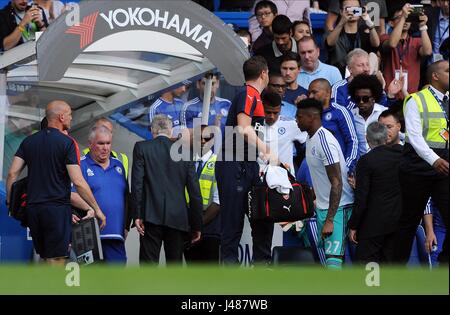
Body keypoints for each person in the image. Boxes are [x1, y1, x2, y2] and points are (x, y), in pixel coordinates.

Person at [6, 100, 106, 265]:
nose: (71, 119)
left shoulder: (29, 141)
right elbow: (78, 181)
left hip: (33, 209)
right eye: (69, 115)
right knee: (57, 259)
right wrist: (96, 209)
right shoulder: (67, 143)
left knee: (45, 258)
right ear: (61, 117)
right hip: (56, 209)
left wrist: (11, 202)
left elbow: (12, 173)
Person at [215, 55, 277, 265]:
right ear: (264, 74)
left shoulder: (254, 97)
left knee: (263, 220)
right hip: (233, 164)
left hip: (248, 165)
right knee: (232, 226)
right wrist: (267, 151)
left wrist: (269, 159)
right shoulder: (248, 94)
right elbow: (243, 127)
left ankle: (262, 270)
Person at [393, 60, 449, 264]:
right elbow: (414, 137)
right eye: (448, 71)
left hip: (443, 167)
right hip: (417, 166)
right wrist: (434, 160)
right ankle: (395, 270)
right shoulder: (416, 100)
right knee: (408, 222)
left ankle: (444, 263)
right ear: (435, 76)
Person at [132, 115, 202, 264]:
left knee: (148, 269)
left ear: (152, 131)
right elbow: (195, 192)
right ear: (171, 132)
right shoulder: (185, 153)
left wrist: (137, 215)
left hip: (150, 216)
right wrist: (196, 225)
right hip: (177, 218)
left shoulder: (141, 147)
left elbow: (137, 184)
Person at [296, 98, 354, 269]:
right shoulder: (310, 138)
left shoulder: (324, 141)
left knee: (333, 263)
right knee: (329, 260)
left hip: (338, 208)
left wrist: (330, 219)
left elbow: (337, 183)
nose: (296, 120)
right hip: (323, 207)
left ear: (312, 117)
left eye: (299, 117)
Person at [71, 126, 130, 264]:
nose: (105, 148)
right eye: (100, 143)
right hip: (90, 237)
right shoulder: (81, 165)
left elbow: (127, 198)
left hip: (116, 236)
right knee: (92, 282)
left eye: (108, 143)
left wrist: (126, 225)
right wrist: (92, 209)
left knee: (117, 282)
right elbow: (72, 195)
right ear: (90, 144)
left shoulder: (119, 166)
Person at [348, 122, 403, 263]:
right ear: (386, 137)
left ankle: (372, 285)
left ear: (367, 138)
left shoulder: (366, 161)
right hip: (397, 221)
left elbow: (362, 198)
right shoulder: (400, 156)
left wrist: (354, 225)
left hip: (372, 225)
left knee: (369, 268)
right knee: (390, 265)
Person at [184, 125, 221, 263]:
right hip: (188, 228)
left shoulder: (218, 163)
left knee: (209, 278)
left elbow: (217, 203)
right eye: (200, 138)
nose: (204, 141)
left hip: (210, 230)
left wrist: (197, 226)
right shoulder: (186, 163)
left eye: (207, 138)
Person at [308, 79, 359, 175]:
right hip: (317, 170)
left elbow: (352, 141)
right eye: (309, 93)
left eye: (314, 92)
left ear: (328, 93)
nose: (310, 96)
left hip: (339, 169)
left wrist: (346, 168)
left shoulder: (340, 112)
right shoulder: (310, 115)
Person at [380, 3, 433, 94]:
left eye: (408, 17)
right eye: (399, 17)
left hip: (411, 96)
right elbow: (392, 44)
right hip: (390, 95)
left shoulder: (416, 41)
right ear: (391, 23)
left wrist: (423, 26)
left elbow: (428, 52)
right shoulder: (385, 38)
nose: (405, 21)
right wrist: (403, 17)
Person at [325, 0, 380, 76]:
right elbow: (329, 43)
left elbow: (376, 44)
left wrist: (368, 21)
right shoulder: (336, 33)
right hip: (340, 76)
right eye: (349, 9)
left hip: (363, 76)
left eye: (356, 9)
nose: (353, 11)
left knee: (373, 56)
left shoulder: (364, 32)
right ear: (341, 11)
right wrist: (342, 22)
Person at [348, 74, 388, 156]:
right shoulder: (350, 116)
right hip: (360, 163)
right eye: (358, 99)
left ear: (373, 98)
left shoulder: (384, 113)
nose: (361, 102)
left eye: (365, 99)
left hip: (381, 159)